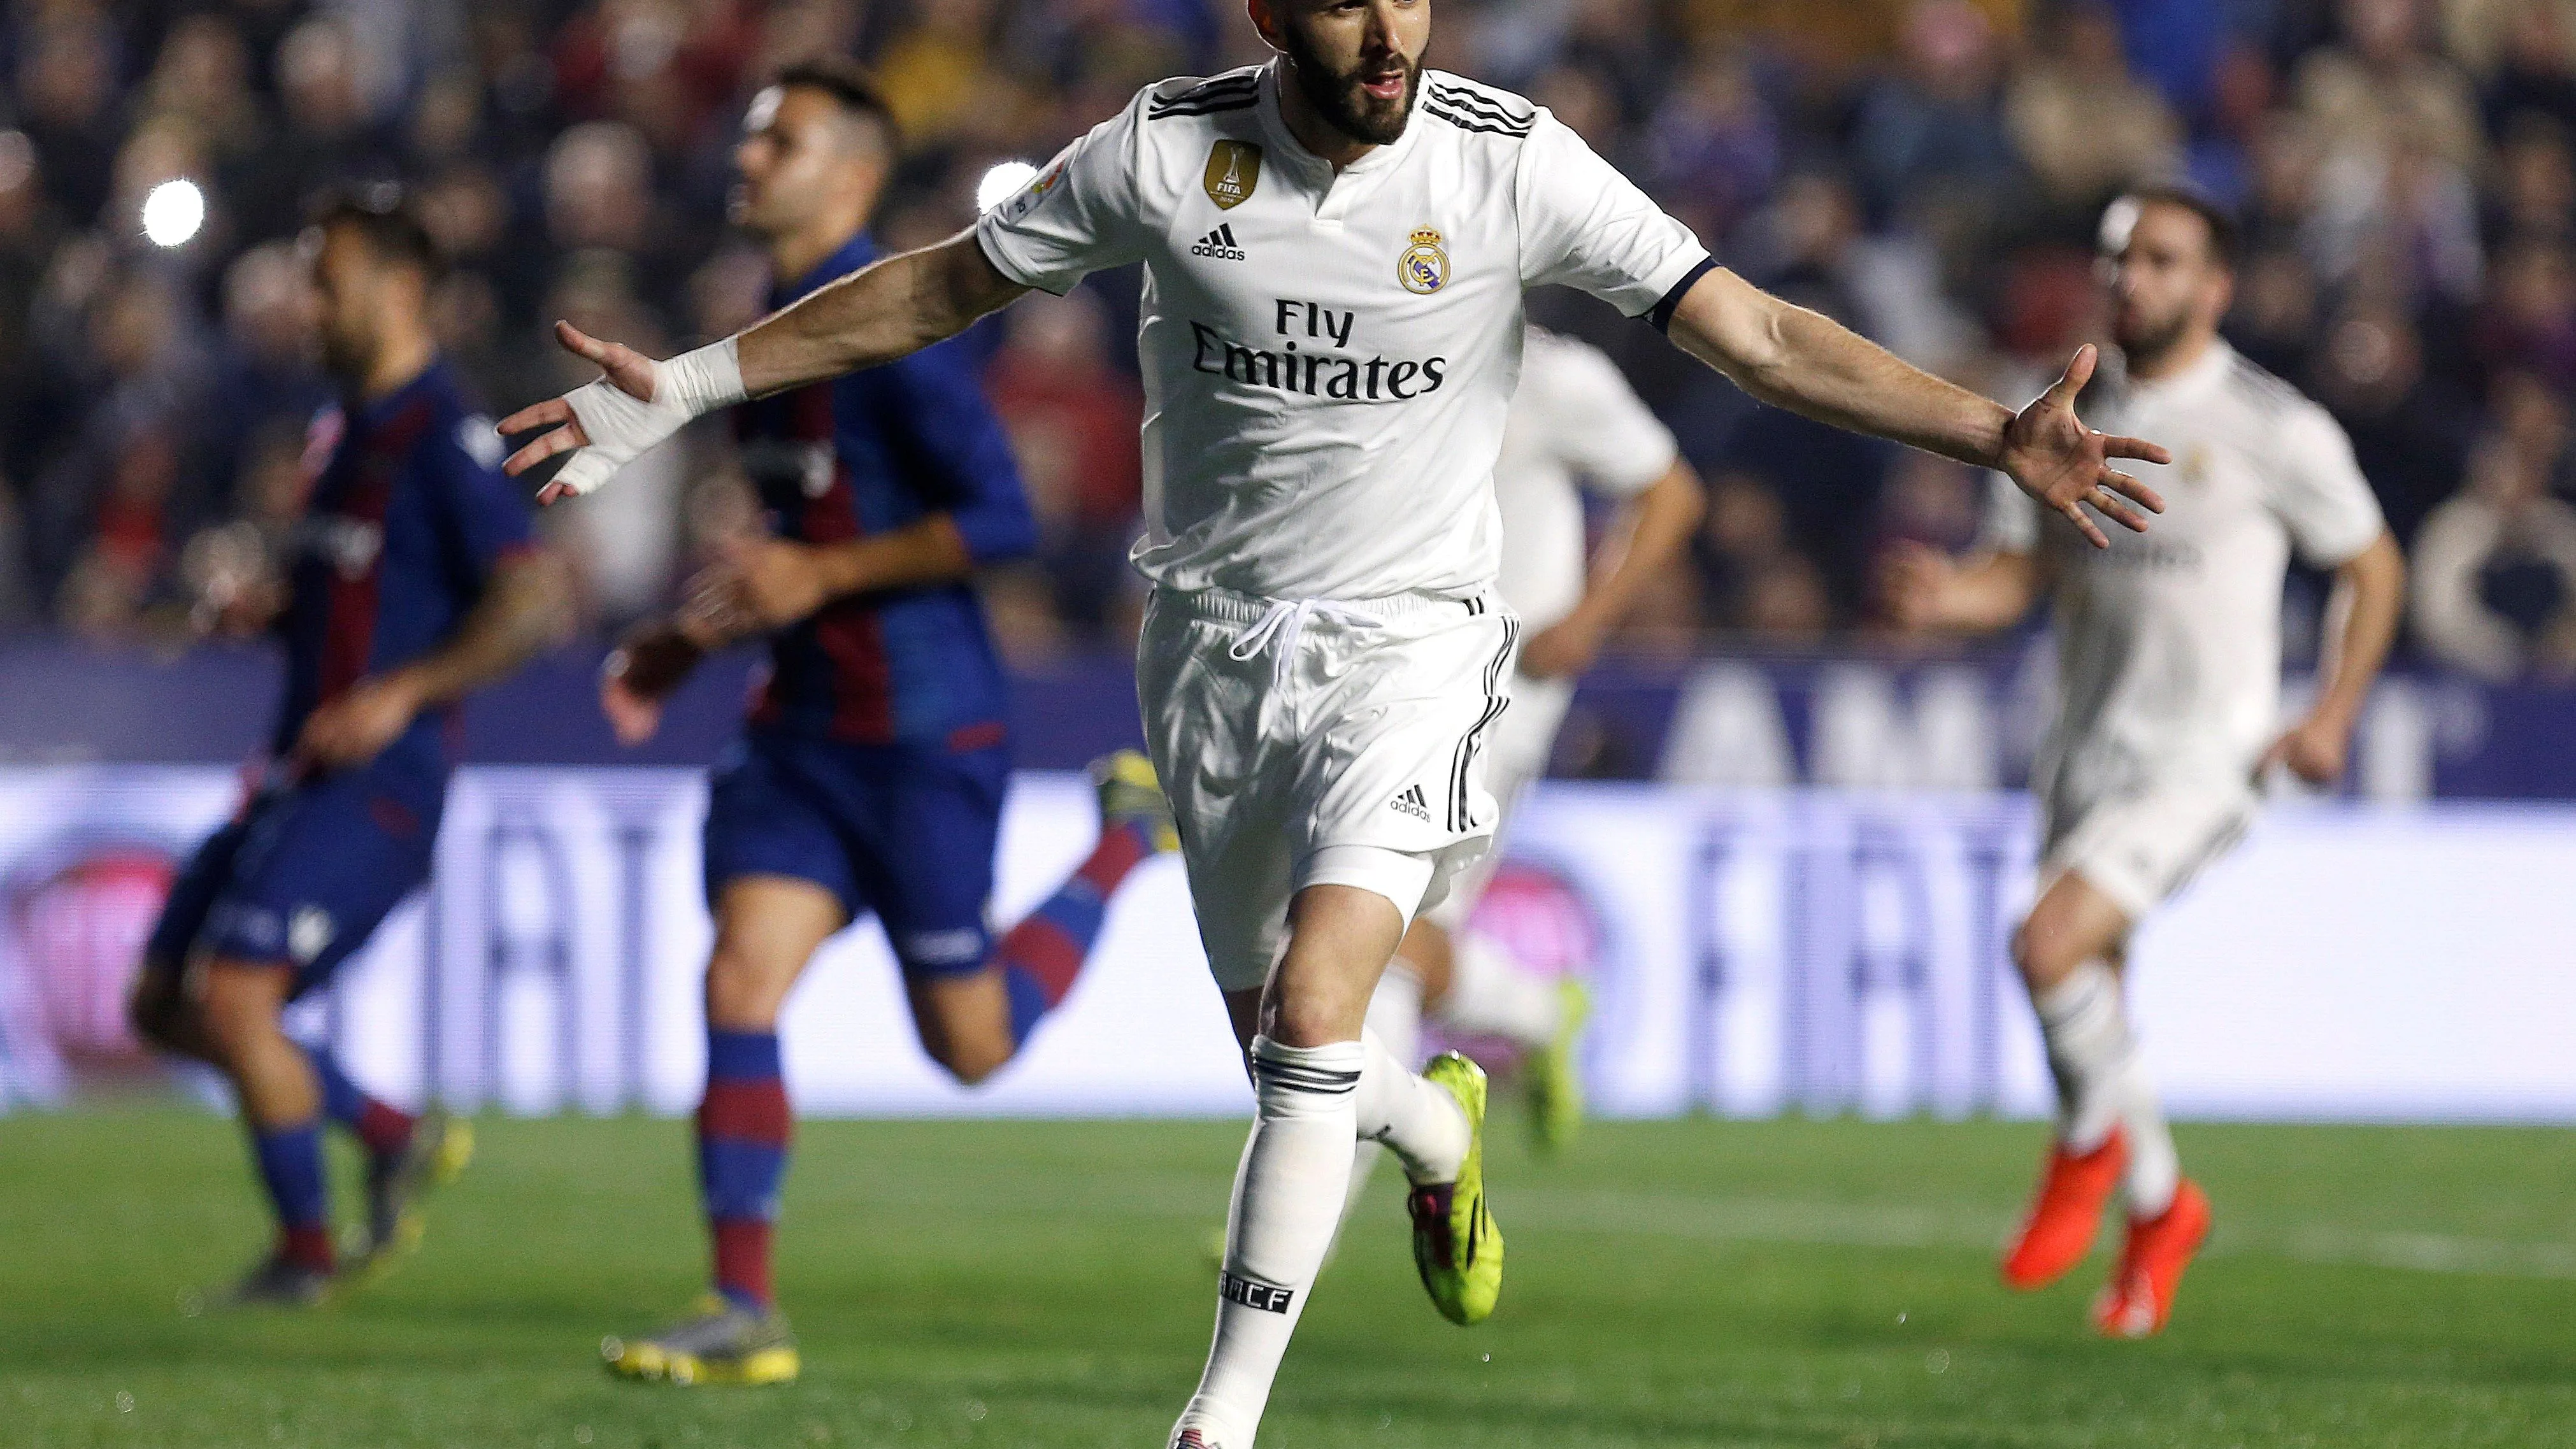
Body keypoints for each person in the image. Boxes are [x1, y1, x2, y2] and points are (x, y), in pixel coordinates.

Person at [497, 1, 2165, 1438]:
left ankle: (1215, 1420)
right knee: (1307, 1071)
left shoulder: (1507, 160)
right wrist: (695, 388)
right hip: (1210, 661)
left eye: (1411, 2)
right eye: (1349, 6)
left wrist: (1983, 432)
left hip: (1416, 647)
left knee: (1311, 1015)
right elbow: (935, 290)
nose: (1390, 37)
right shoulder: (1162, 155)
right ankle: (1439, 1128)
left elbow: (1756, 332)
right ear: (1264, 13)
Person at [583, 59, 1178, 1388]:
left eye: (777, 142)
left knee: (968, 1046)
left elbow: (1010, 521)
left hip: (924, 734)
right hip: (801, 732)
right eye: (747, 138)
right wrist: (694, 633)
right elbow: (794, 540)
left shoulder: (895, 338)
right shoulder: (761, 327)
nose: (745, 162)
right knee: (739, 981)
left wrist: (823, 577)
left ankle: (1123, 846)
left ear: (850, 178)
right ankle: (742, 1307)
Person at [1884, 185, 2405, 1338]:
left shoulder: (2275, 425)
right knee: (2094, 994)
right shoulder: (2065, 415)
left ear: (2214, 287)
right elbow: (2019, 575)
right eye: (2120, 259)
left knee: (2047, 943)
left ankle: (2084, 1152)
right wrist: (1946, 600)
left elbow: (2375, 565)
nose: (2134, 280)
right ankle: (2162, 1210)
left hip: (2204, 755)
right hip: (2082, 746)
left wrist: (2332, 712)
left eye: (2163, 260)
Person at [127, 190, 568, 1305]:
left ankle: (304, 1259)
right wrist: (269, 608)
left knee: (238, 995)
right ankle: (388, 1131)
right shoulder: (346, 438)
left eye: (327, 281)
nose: (306, 304)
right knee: (157, 1004)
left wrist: (402, 695)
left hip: (383, 781)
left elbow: (529, 603)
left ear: (399, 289)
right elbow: (347, 599)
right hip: (294, 772)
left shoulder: (444, 434)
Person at [1363, 325, 1707, 1159]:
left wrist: (1590, 617)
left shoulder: (1555, 374)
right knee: (1377, 937)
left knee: (1379, 946)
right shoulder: (1376, 351)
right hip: (1383, 689)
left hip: (1499, 703)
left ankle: (1289, 1251)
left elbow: (1671, 492)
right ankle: (1537, 1010)